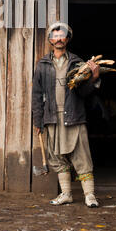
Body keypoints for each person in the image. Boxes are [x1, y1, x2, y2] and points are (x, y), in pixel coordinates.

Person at [32, 22, 100, 208]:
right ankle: (66, 194)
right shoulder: (43, 65)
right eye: (55, 36)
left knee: (81, 155)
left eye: (62, 35)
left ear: (67, 39)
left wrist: (93, 77)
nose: (59, 39)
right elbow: (37, 95)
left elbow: (84, 93)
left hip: (74, 116)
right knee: (56, 156)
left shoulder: (77, 63)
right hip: (52, 117)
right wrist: (38, 120)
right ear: (50, 40)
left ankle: (90, 195)